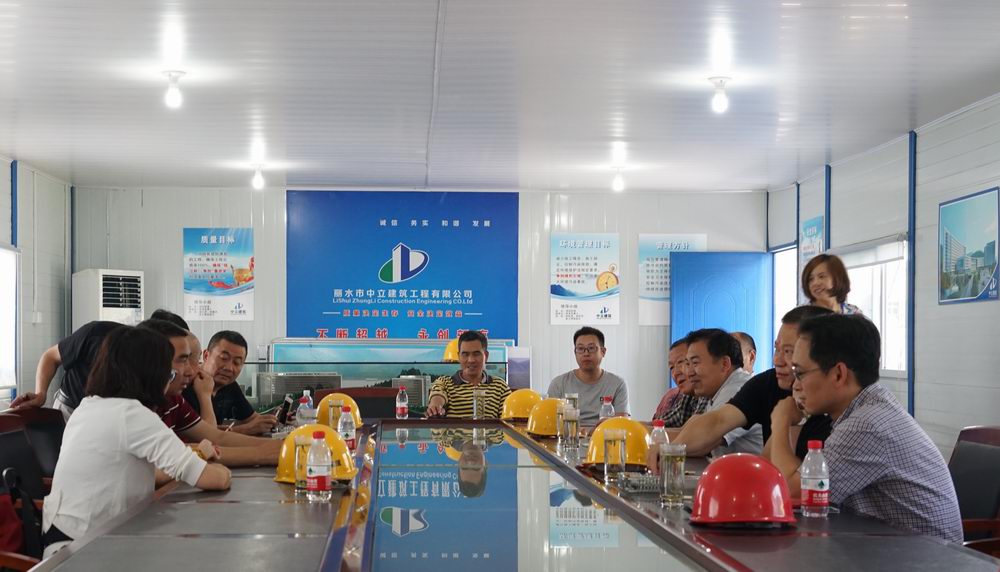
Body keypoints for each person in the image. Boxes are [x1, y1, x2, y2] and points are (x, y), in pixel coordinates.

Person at [41, 327, 231, 557]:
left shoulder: (89, 405)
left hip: (63, 540)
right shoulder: (132, 414)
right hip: (86, 549)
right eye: (170, 370)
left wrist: (195, 455)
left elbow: (149, 473)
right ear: (154, 373)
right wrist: (213, 464)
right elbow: (215, 479)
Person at [785, 314, 961, 543]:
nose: (795, 384)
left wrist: (780, 421)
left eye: (800, 373)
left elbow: (793, 494)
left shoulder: (867, 425)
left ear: (838, 374)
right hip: (893, 548)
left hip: (926, 557)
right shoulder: (870, 406)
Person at [667, 306, 834, 460]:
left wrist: (782, 420)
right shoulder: (767, 382)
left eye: (789, 351)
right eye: (777, 349)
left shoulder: (836, 415)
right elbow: (717, 422)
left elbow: (790, 478)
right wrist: (667, 450)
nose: (777, 360)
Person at [137, 319, 282, 466]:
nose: (191, 371)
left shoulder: (174, 400)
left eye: (191, 360)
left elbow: (215, 438)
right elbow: (173, 456)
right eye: (183, 360)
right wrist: (264, 453)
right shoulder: (136, 407)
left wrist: (282, 446)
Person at [11, 321, 126, 418]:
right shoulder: (96, 332)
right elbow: (50, 357)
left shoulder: (135, 360)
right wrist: (41, 394)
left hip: (106, 414)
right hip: (69, 409)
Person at [678, 328, 760, 457]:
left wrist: (656, 443)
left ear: (724, 364)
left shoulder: (738, 388)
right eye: (688, 364)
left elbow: (704, 440)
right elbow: (687, 434)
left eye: (695, 363)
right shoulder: (719, 391)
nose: (689, 373)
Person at [181, 330, 277, 435]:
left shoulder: (230, 385)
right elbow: (201, 435)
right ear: (206, 356)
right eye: (223, 358)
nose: (229, 368)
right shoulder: (184, 385)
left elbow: (252, 418)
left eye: (237, 362)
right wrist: (246, 429)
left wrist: (274, 420)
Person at [546, 327, 629, 425]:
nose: (586, 353)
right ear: (575, 353)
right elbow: (549, 422)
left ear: (603, 352)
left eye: (591, 348)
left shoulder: (617, 384)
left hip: (604, 434)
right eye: (580, 349)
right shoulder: (559, 384)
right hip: (569, 434)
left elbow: (622, 424)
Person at [425, 330, 511, 419]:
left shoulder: (500, 386)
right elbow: (437, 396)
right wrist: (436, 406)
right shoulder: (444, 382)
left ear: (486, 356)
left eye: (476, 354)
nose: (471, 360)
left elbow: (509, 421)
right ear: (459, 356)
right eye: (465, 354)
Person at [652, 338, 708, 427]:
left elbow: (691, 433)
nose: (675, 373)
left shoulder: (709, 394)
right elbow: (660, 424)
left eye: (681, 362)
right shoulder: (687, 397)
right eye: (671, 367)